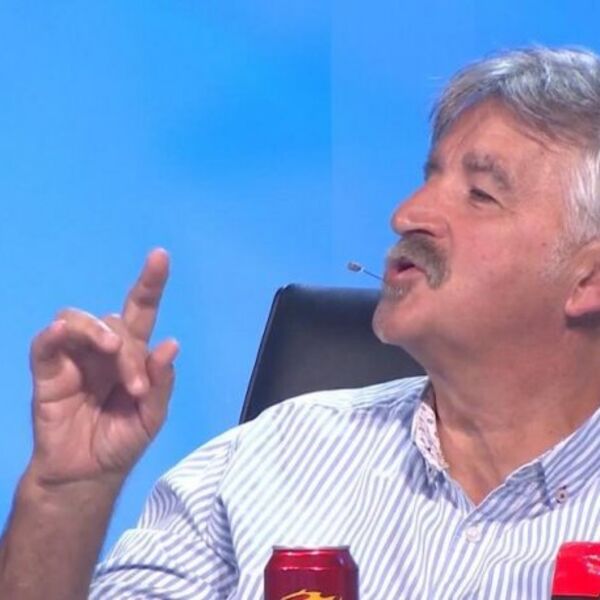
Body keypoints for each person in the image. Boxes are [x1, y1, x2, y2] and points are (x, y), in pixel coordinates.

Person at [2, 45, 600, 599]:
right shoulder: (267, 462)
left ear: (589, 279)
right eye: (429, 178)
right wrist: (65, 493)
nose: (406, 215)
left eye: (480, 194)